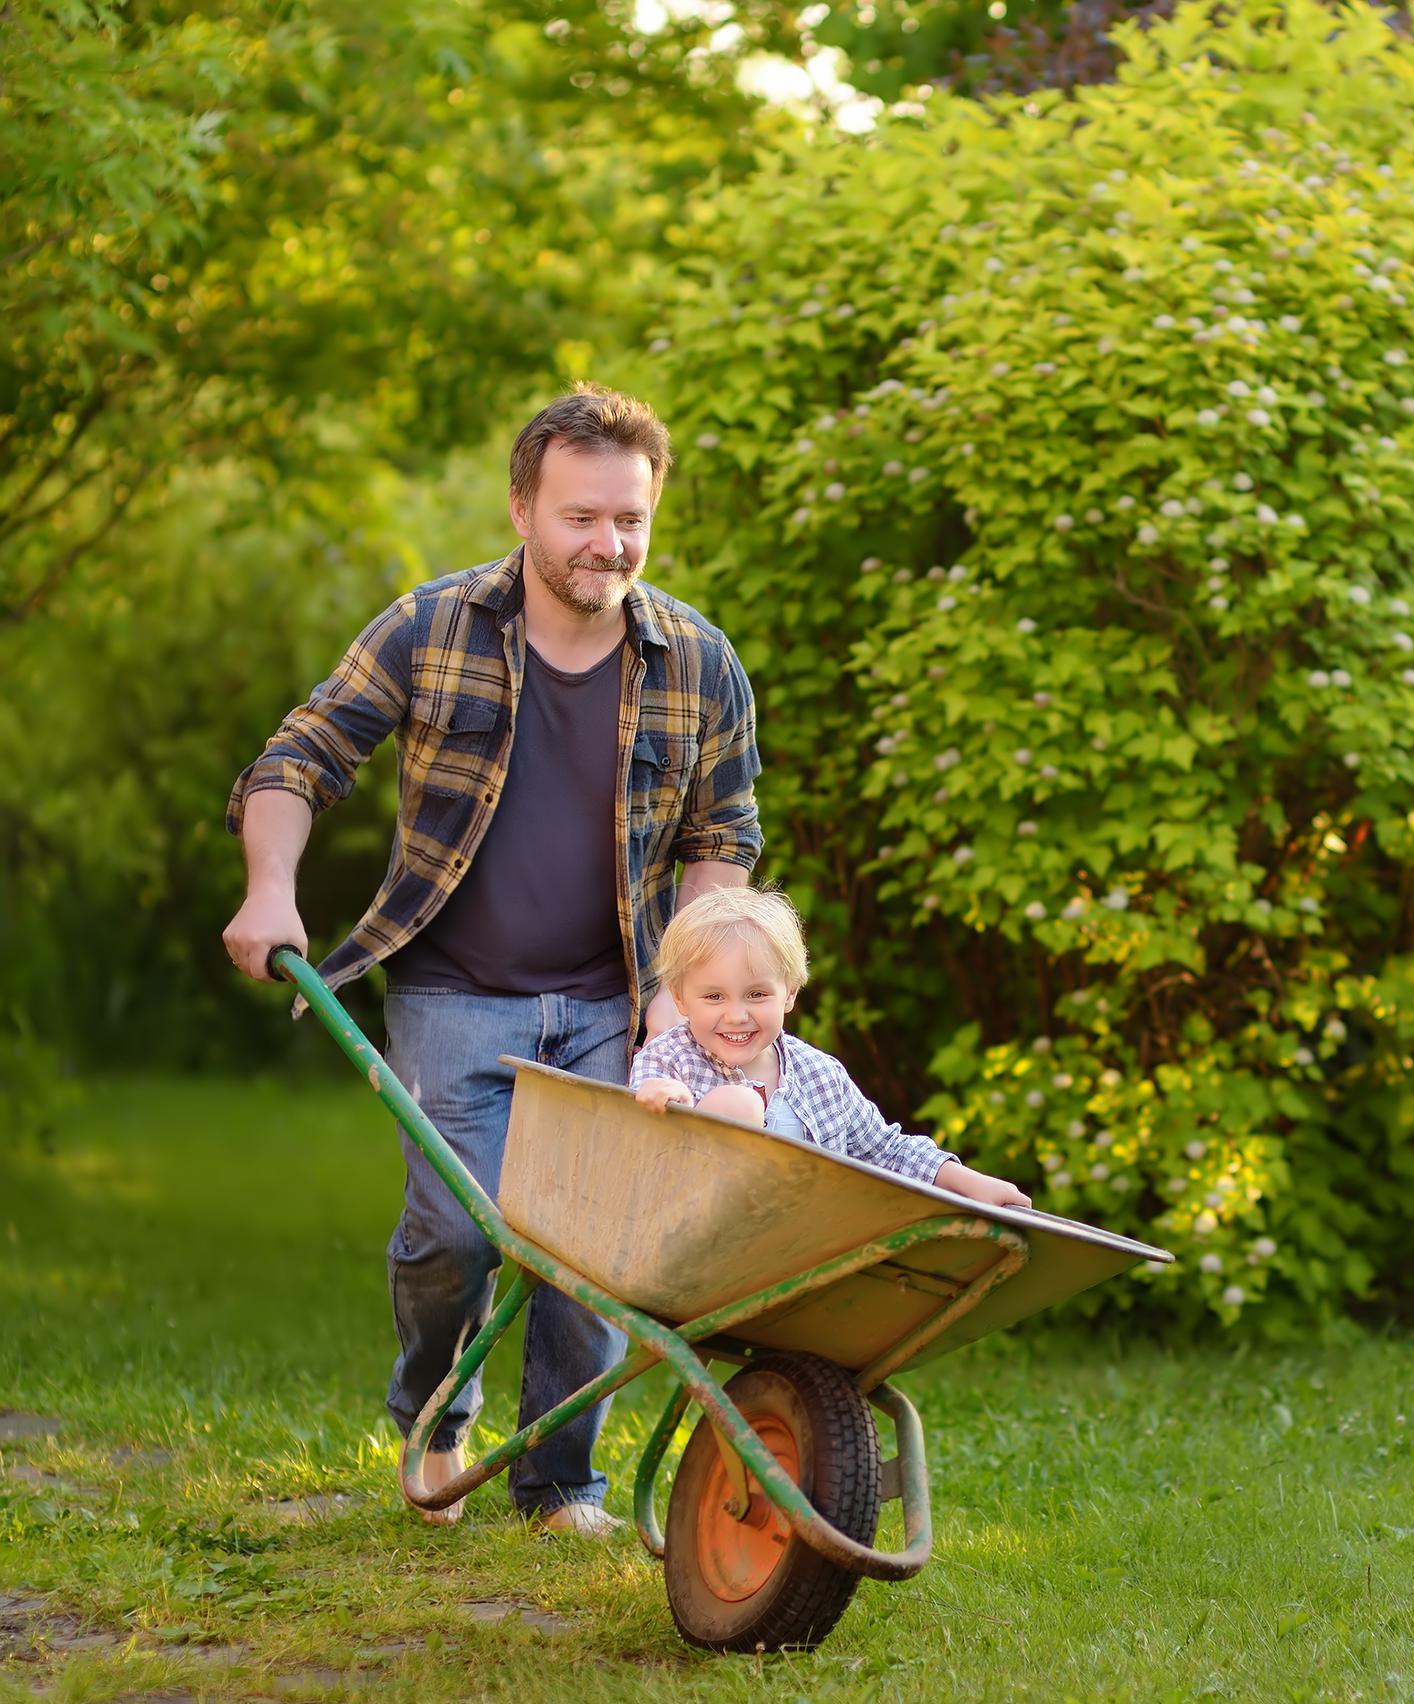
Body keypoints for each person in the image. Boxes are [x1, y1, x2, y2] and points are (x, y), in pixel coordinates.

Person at [220, 385, 762, 1536]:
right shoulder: (431, 627)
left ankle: (559, 1481)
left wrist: (681, 992)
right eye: (579, 516)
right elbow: (301, 756)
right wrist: (272, 887)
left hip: (620, 998)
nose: (607, 543)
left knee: (594, 1254)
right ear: (521, 507)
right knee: (455, 1235)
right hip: (453, 988)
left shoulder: (699, 661)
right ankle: (437, 1414)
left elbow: (724, 841)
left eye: (629, 518)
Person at [629, 888, 1032, 1208]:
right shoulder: (669, 1058)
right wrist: (670, 1102)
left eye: (756, 994)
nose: (736, 1015)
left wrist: (971, 1182)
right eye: (714, 997)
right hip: (700, 1236)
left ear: (789, 994)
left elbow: (885, 1150)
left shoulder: (818, 1073)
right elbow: (631, 1130)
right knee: (739, 1105)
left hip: (805, 1242)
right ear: (680, 1000)